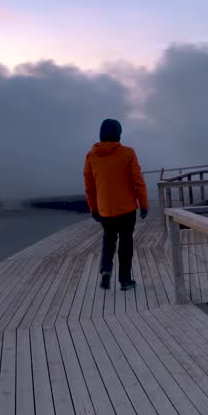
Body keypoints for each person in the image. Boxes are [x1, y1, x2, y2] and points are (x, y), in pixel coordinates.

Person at [83, 118, 149, 290]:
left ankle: (106, 269)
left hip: (105, 209)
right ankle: (125, 280)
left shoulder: (91, 156)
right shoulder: (128, 153)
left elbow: (89, 186)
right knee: (125, 242)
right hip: (127, 208)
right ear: (118, 133)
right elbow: (138, 181)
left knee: (109, 239)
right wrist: (144, 205)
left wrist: (93, 208)